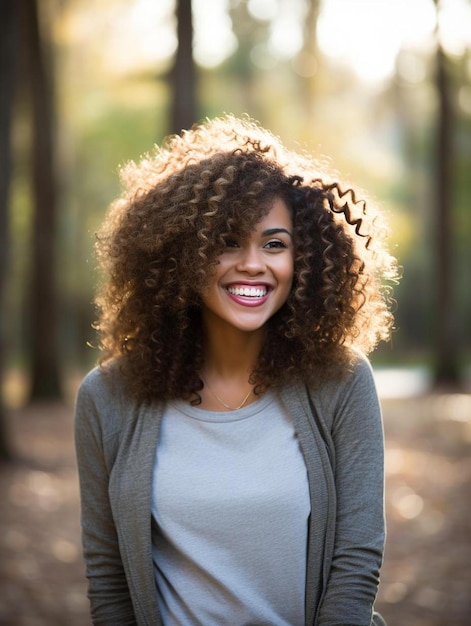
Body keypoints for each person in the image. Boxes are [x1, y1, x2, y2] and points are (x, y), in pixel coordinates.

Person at [74, 114, 398, 626]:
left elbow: (355, 565)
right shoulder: (108, 396)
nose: (253, 264)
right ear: (180, 255)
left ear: (304, 259)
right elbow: (108, 575)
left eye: (274, 244)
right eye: (227, 241)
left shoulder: (342, 382)